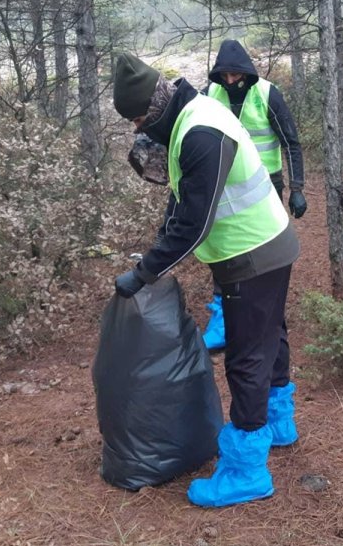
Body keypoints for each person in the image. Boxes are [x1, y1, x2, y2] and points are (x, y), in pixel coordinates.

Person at [112, 51, 300, 508]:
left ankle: (246, 470)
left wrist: (145, 272)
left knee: (245, 359)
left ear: (154, 108)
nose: (138, 130)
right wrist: (154, 252)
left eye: (138, 119)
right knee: (269, 338)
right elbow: (181, 201)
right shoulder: (190, 117)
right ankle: (279, 421)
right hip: (268, 245)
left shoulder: (199, 132)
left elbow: (193, 222)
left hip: (252, 255)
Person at [202, 39, 306, 350]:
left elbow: (291, 142)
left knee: (265, 244)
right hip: (222, 182)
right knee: (223, 243)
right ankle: (222, 312)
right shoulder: (209, 95)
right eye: (225, 77)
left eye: (237, 76)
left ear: (247, 73)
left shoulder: (267, 94)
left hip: (265, 183)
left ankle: (266, 305)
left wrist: (297, 188)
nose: (231, 82)